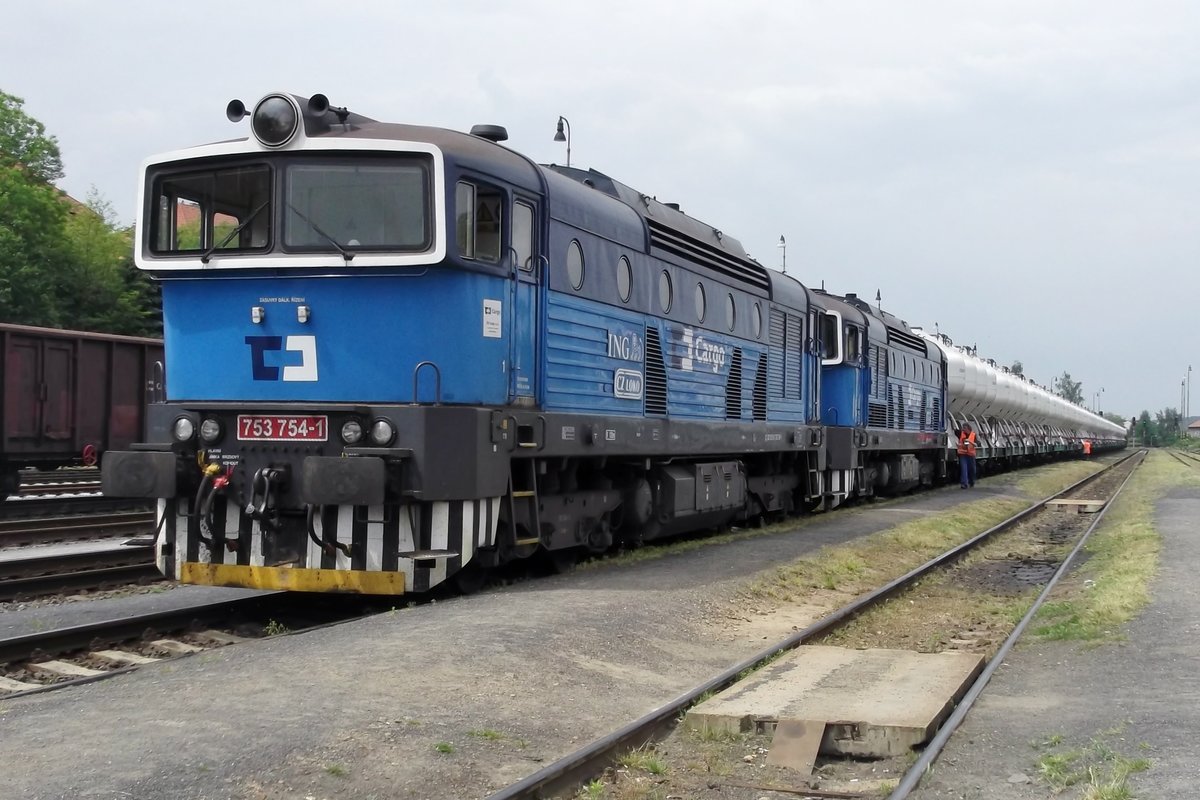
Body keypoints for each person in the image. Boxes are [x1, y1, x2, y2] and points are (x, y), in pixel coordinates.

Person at [957, 422, 978, 489]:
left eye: (965, 428)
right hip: (963, 454)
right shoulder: (961, 434)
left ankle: (971, 482)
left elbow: (976, 444)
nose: (963, 429)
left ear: (968, 428)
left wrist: (969, 441)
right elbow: (955, 431)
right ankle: (964, 484)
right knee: (964, 469)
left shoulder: (973, 435)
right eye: (963, 428)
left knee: (972, 470)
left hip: (971, 455)